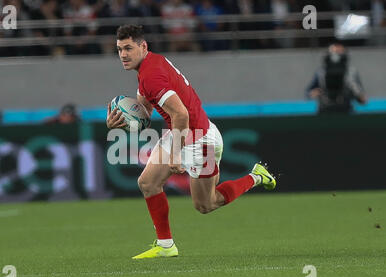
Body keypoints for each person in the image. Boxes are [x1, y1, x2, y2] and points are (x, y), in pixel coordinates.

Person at [106, 25, 277, 259]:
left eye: (128, 48)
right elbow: (144, 113)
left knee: (206, 204)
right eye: (119, 49)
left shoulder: (151, 75)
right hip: (183, 132)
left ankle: (257, 176)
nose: (123, 54)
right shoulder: (148, 67)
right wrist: (122, 121)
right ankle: (166, 245)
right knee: (147, 183)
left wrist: (176, 154)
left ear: (143, 46)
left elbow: (181, 114)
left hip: (199, 139)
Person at [306, 43, 368, 114]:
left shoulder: (351, 73)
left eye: (339, 52)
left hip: (345, 110)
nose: (336, 56)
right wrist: (314, 92)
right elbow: (308, 92)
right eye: (333, 52)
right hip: (325, 110)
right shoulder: (321, 72)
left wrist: (357, 94)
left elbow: (362, 98)